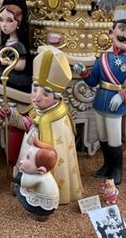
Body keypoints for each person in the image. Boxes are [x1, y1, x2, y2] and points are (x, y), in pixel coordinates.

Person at [75, 0, 126, 184]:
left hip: (115, 103)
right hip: (100, 100)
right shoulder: (102, 57)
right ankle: (107, 165)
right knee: (102, 136)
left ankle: (117, 169)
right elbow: (93, 81)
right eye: (122, 29)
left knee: (114, 138)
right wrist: (83, 73)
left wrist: (122, 96)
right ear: (112, 32)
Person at [5, 46, 83, 205]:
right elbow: (28, 125)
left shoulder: (59, 118)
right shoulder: (37, 109)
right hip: (29, 153)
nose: (36, 98)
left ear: (57, 97)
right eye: (34, 90)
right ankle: (24, 188)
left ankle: (48, 194)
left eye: (45, 94)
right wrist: (11, 116)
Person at [13, 137, 60, 221]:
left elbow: (22, 181)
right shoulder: (46, 174)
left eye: (28, 157)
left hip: (41, 207)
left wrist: (16, 173)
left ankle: (38, 214)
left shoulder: (38, 178)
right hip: (49, 204)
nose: (22, 159)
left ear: (41, 170)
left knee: (18, 188)